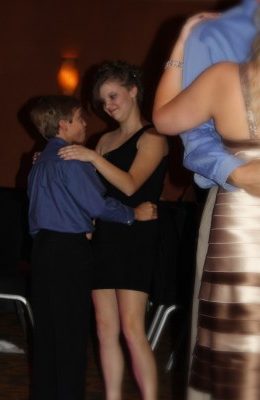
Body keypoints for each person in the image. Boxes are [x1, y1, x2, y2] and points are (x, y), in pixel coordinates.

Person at [153, 11, 260, 399]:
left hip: (243, 225)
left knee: (235, 352)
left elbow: (164, 119)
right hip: (240, 224)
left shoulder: (224, 78)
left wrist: (183, 42)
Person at [27, 95, 158, 400]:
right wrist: (134, 213)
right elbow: (97, 204)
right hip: (68, 251)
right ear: (64, 124)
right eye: (80, 118)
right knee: (71, 335)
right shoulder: (72, 160)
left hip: (42, 249)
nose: (86, 124)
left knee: (47, 333)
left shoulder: (39, 162)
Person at [58, 61, 168, 400]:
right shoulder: (104, 140)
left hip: (137, 236)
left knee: (133, 329)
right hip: (105, 235)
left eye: (113, 96)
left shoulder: (153, 137)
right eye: (104, 100)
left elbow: (131, 184)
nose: (108, 105)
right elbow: (91, 191)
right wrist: (53, 162)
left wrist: (91, 157)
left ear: (133, 91)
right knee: (105, 329)